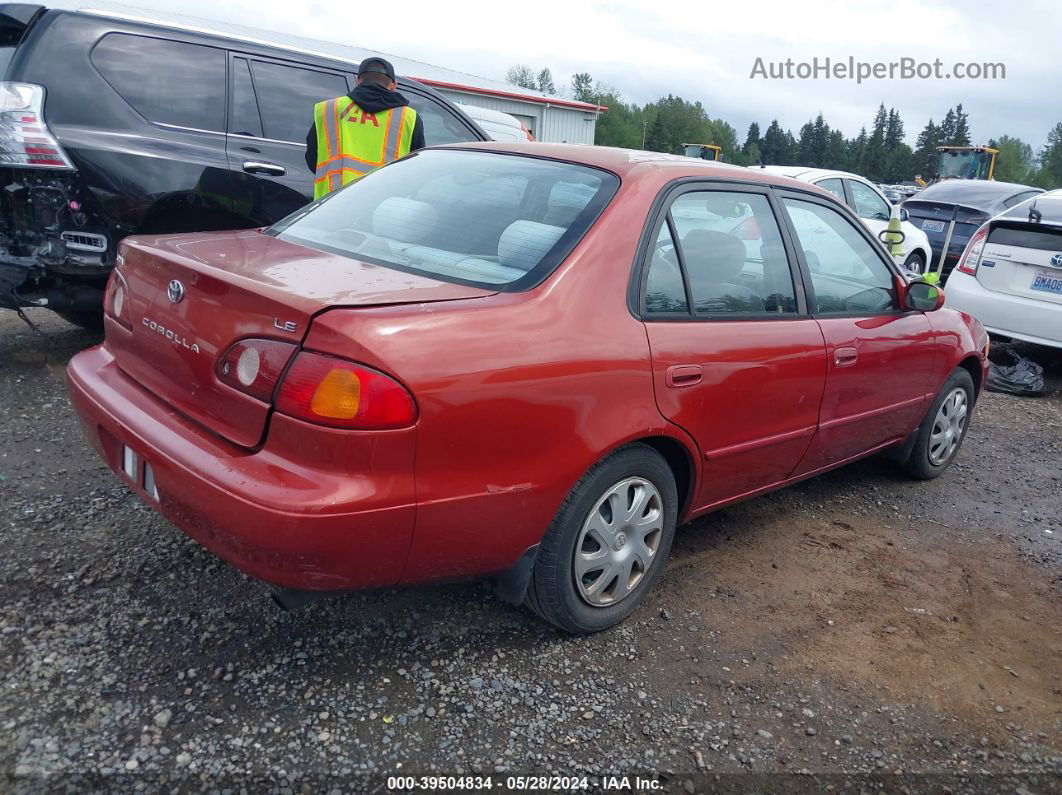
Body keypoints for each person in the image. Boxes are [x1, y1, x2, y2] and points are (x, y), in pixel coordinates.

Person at [305, 57, 425, 199]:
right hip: (381, 205)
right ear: (394, 85)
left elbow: (312, 158)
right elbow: (416, 168)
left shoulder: (330, 109)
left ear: (358, 80)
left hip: (332, 203)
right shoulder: (408, 117)